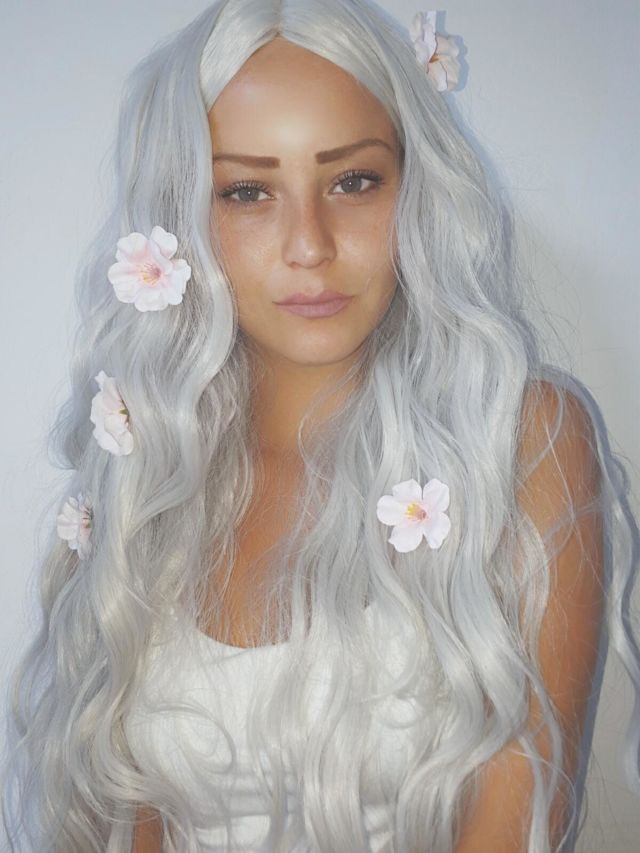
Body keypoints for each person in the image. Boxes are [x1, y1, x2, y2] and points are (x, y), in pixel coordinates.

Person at [2, 1, 638, 851]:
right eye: (247, 191)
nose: (309, 244)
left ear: (416, 186)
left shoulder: (519, 439)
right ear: (180, 221)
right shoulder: (152, 472)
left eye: (353, 181)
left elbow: (516, 824)